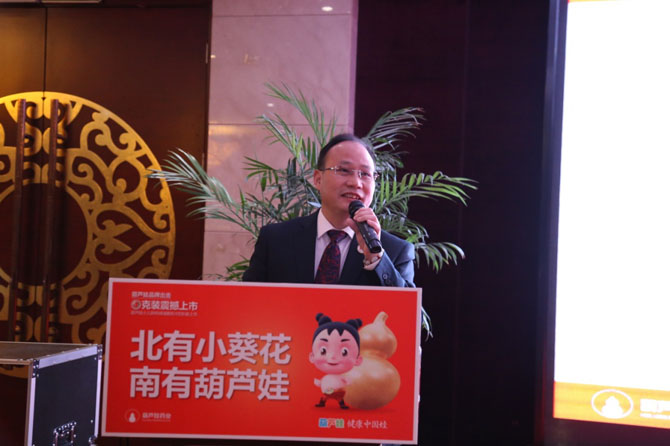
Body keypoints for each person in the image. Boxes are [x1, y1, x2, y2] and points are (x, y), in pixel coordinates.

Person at [242, 133, 415, 287]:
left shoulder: (396, 251)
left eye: (365, 174)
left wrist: (375, 258)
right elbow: (246, 302)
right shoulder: (275, 240)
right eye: (344, 170)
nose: (355, 183)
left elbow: (407, 310)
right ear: (318, 179)